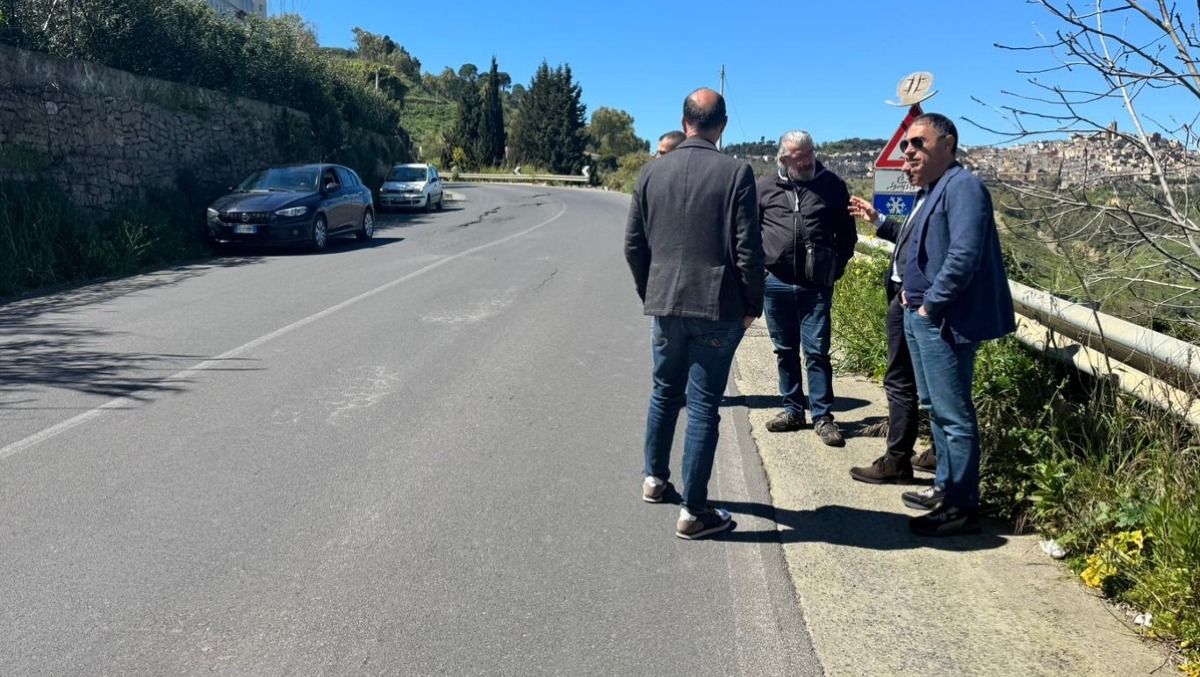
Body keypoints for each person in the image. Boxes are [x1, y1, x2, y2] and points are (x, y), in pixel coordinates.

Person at [625, 88, 764, 540]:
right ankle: (694, 511)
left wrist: (652, 291)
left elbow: (633, 246)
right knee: (703, 404)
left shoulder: (651, 172)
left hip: (665, 304)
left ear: (684, 122)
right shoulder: (736, 172)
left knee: (664, 392)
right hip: (716, 306)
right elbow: (748, 249)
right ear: (721, 125)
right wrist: (753, 305)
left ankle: (653, 479)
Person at [893, 113, 1015, 536]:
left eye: (918, 142)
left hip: (944, 321)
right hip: (921, 316)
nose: (909, 151)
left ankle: (961, 506)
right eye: (906, 144)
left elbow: (964, 255)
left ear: (947, 144)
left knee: (953, 414)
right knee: (935, 408)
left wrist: (931, 306)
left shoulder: (964, 187)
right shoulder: (935, 189)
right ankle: (945, 487)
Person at [757, 131, 857, 446]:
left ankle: (823, 416)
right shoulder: (765, 188)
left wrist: (835, 270)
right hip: (776, 283)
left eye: (810, 152)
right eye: (800, 156)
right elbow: (748, 231)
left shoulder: (832, 186)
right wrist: (760, 271)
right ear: (783, 159)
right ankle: (792, 410)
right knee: (785, 350)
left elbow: (848, 235)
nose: (808, 160)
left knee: (817, 352)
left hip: (816, 287)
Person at [846, 181, 939, 485]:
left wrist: (924, 299)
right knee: (923, 381)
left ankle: (898, 460)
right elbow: (911, 240)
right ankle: (935, 454)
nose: (906, 164)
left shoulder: (945, 194)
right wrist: (878, 220)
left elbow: (952, 254)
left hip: (914, 299)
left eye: (912, 157)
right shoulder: (927, 194)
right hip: (909, 296)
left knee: (902, 380)